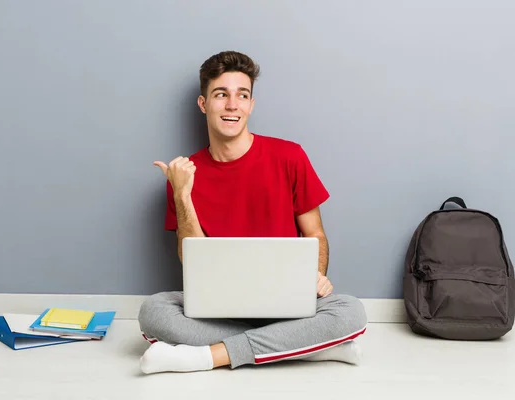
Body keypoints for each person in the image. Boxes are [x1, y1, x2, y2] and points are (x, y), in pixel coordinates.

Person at [138, 50, 367, 374]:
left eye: (242, 95)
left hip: (289, 306)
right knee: (154, 311)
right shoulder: (184, 174)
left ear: (251, 105)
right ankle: (304, 347)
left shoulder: (289, 156)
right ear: (203, 104)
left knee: (351, 311)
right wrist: (182, 193)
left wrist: (313, 277)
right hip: (219, 310)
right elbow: (190, 259)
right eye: (221, 95)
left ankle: (207, 357)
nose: (233, 105)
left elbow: (315, 234)